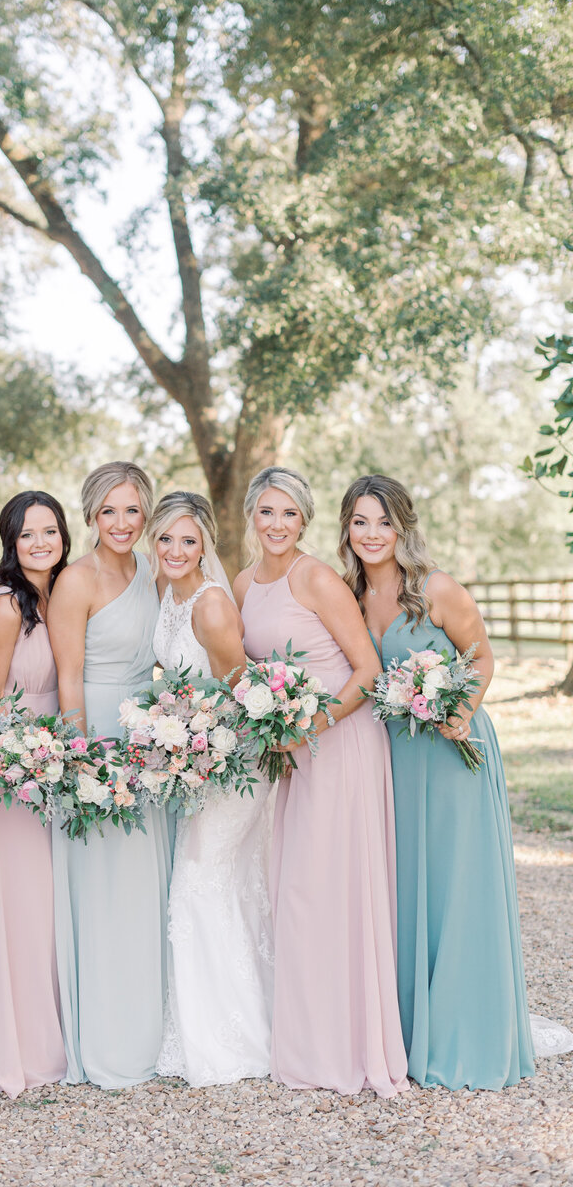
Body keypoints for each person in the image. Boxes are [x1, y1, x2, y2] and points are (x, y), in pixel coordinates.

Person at [339, 473, 535, 1090]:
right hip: (390, 760)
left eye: (384, 522)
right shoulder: (344, 595)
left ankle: (462, 1037)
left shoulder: (437, 589)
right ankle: (404, 1034)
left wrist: (459, 709)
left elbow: (479, 655)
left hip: (452, 755)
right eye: (360, 522)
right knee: (404, 890)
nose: (373, 535)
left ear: (404, 525)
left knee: (455, 889)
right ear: (345, 529)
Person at [235, 467, 408, 1098]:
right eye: (266, 512)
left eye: (289, 514)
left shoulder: (318, 578)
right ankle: (306, 1039)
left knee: (333, 890)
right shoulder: (243, 584)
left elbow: (365, 672)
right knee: (298, 891)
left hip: (340, 747)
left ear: (304, 520)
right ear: (250, 516)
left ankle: (349, 1044)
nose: (277, 525)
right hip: (291, 756)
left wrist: (310, 726)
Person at [46, 461, 172, 1088]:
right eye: (109, 511)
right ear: (92, 515)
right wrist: (80, 758)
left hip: (146, 735)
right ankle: (104, 1036)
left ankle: (149, 1024)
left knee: (143, 882)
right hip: (96, 735)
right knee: (100, 884)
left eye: (132, 510)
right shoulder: (77, 579)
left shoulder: (154, 569)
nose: (122, 523)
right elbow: (67, 675)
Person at [148, 491, 274, 1086]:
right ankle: (207, 1025)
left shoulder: (211, 605)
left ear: (206, 547)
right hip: (195, 763)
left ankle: (239, 1041)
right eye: (166, 539)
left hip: (233, 766)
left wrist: (198, 745)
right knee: (211, 887)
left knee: (200, 884)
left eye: (189, 541)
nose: (176, 550)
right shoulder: (166, 596)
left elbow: (243, 695)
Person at [0, 491, 69, 1096]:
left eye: (49, 531)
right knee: (18, 909)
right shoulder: (5, 608)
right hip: (11, 776)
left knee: (46, 910)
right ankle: (17, 1046)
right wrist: (22, 761)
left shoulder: (63, 595)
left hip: (58, 769)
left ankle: (51, 1032)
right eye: (27, 534)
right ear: (11, 541)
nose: (39, 543)